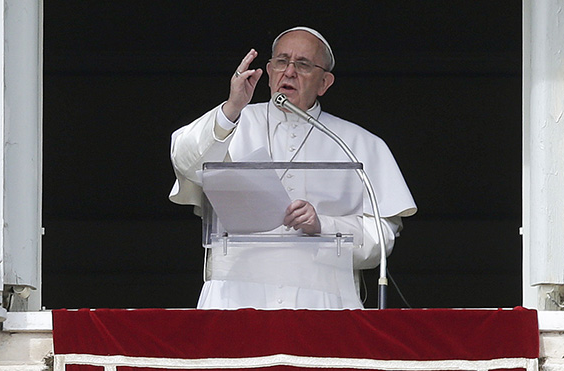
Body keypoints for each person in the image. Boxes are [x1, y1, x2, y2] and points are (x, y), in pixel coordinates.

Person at [169, 26, 416, 309]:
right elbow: (184, 161)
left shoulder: (356, 143)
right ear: (269, 71)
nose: (289, 72)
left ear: (324, 82)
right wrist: (231, 108)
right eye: (281, 62)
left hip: (324, 302)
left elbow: (381, 238)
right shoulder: (233, 121)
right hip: (235, 297)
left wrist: (323, 225)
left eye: (303, 65)